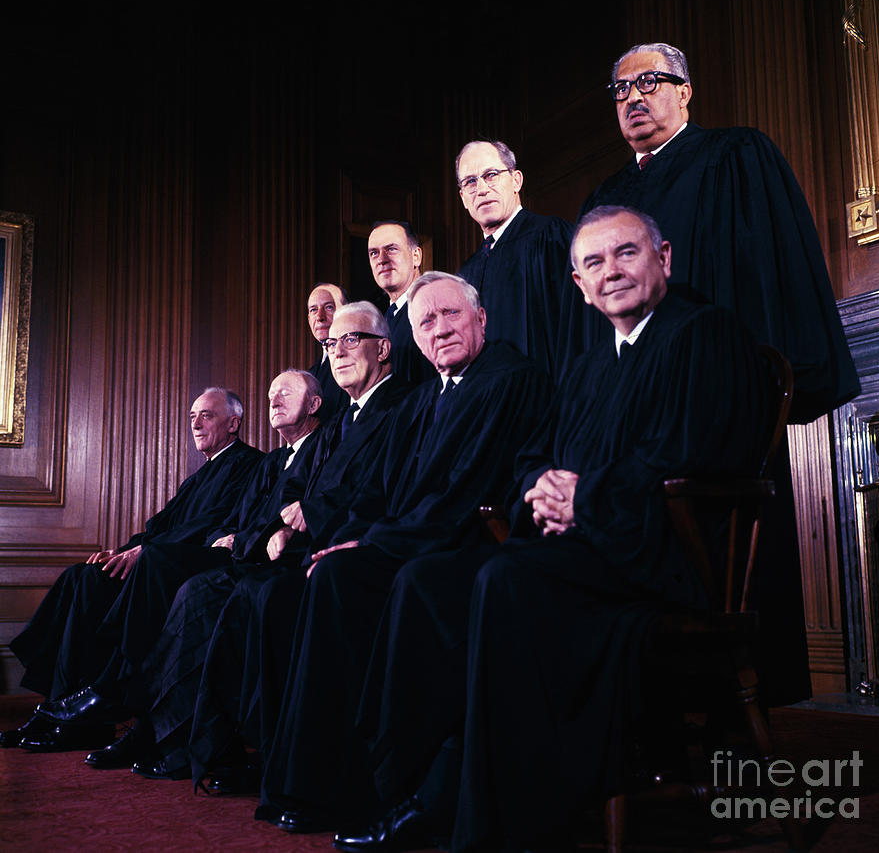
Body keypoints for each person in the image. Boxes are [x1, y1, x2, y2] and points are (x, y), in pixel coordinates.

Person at [334, 205, 777, 853]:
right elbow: (537, 453)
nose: (611, 272)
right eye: (593, 262)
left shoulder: (703, 333)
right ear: (576, 284)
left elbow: (693, 453)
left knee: (506, 581)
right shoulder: (589, 361)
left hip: (666, 558)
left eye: (625, 253)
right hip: (592, 544)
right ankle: (410, 787)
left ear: (664, 258)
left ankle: (494, 815)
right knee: (429, 580)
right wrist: (540, 483)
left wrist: (585, 497)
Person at [579, 41, 861, 707]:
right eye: (620, 90)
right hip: (634, 411)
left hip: (714, 409)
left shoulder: (735, 156)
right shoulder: (608, 197)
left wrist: (738, 390)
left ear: (685, 90)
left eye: (650, 82)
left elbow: (769, 279)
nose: (634, 98)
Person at [257, 271, 551, 836]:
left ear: (481, 320)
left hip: (476, 547)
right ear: (413, 338)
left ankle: (403, 788)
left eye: (451, 316)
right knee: (332, 574)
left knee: (393, 581)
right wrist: (354, 534)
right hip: (418, 539)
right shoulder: (427, 400)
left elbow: (466, 493)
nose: (439, 331)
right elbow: (381, 491)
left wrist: (374, 541)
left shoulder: (507, 379)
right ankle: (321, 783)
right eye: (426, 322)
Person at [125, 302, 409, 784]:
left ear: (383, 349)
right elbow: (290, 499)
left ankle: (243, 751)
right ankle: (183, 737)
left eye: (350, 340)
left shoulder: (404, 407)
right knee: (208, 592)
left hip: (347, 550)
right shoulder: (341, 424)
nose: (337, 351)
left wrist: (298, 524)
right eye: (329, 344)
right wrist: (277, 530)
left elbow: (378, 491)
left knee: (245, 593)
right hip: (294, 547)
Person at [19, 371, 323, 761]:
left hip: (214, 557)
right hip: (202, 550)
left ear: (233, 423)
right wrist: (126, 549)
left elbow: (214, 524)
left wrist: (149, 550)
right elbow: (161, 525)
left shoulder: (249, 462)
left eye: (206, 416)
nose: (195, 423)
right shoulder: (212, 474)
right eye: (192, 416)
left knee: (155, 564)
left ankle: (112, 691)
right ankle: (62, 712)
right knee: (85, 577)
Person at [456, 139, 600, 380]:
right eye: (470, 181)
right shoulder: (467, 272)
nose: (481, 189)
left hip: (549, 402)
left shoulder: (551, 237)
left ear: (516, 181)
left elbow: (580, 328)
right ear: (462, 198)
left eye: (490, 175)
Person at [366, 220, 436, 386]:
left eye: (391, 249)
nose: (382, 260)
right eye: (374, 253)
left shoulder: (435, 309)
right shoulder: (384, 320)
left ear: (416, 256)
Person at [307, 282, 350, 418]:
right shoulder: (311, 373)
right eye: (313, 310)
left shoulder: (356, 361)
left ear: (347, 312)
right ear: (309, 319)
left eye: (329, 307)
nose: (320, 317)